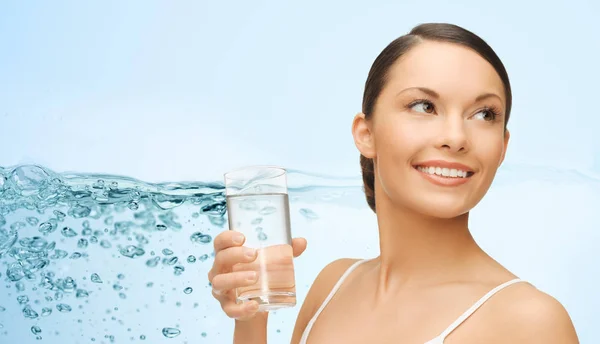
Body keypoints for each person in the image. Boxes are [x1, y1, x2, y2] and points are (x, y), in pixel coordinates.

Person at [207, 23, 579, 343]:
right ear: (365, 133)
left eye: (484, 114)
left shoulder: (530, 320)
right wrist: (251, 318)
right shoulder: (332, 285)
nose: (456, 137)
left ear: (502, 147)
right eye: (424, 106)